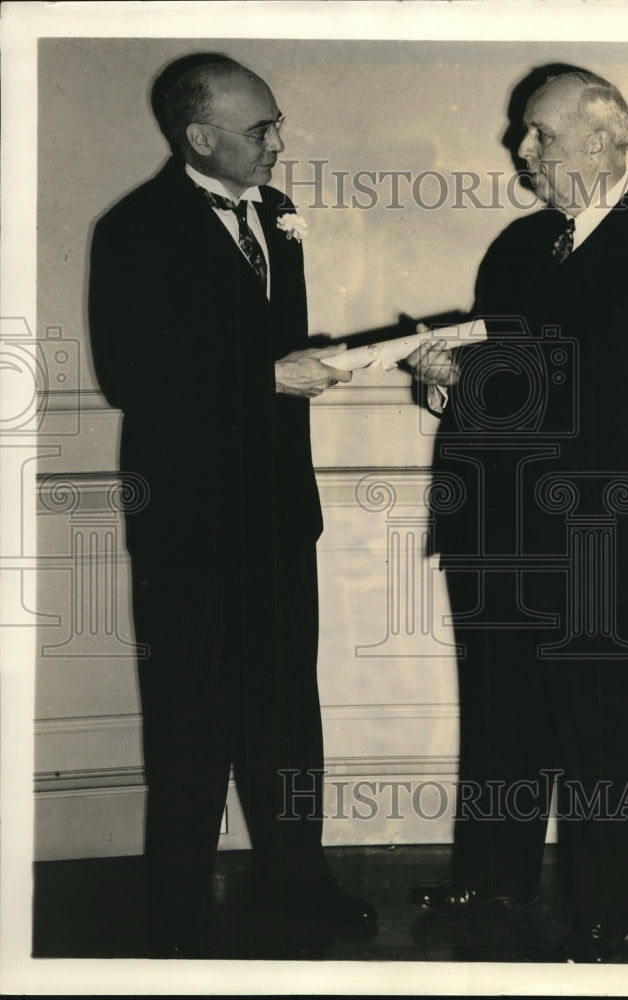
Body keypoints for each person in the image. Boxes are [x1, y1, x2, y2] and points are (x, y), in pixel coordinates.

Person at [407, 69, 628, 962]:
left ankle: (606, 911)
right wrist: (448, 386)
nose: (521, 153)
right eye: (525, 136)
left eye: (539, 135)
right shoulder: (522, 250)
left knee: (597, 727)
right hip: (492, 530)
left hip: (597, 544)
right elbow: (510, 393)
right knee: (499, 712)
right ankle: (494, 876)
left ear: (606, 139)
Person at [88, 54, 375, 958]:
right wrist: (267, 376)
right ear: (199, 136)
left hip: (282, 515)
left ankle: (301, 882)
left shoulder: (273, 219)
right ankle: (176, 909)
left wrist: (312, 362)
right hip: (191, 525)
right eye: (261, 131)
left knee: (289, 710)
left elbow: (256, 352)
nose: (279, 144)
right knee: (189, 714)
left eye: (277, 123)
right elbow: (132, 375)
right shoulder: (134, 228)